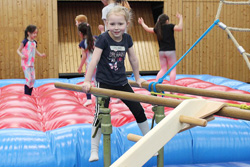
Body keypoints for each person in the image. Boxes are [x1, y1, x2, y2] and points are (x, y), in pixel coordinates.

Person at [81, 6, 150, 162]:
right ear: (106, 24)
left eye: (120, 24)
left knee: (138, 110)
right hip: (104, 82)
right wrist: (87, 80)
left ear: (126, 23)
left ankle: (149, 142)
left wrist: (138, 78)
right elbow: (95, 60)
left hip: (121, 82)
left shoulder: (127, 39)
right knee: (100, 114)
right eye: (112, 24)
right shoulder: (103, 39)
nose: (116, 28)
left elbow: (133, 59)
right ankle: (93, 150)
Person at [138, 13, 183, 85]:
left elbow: (147, 29)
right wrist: (180, 18)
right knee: (172, 69)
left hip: (161, 52)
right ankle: (172, 88)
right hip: (170, 51)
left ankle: (156, 85)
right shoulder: (170, 26)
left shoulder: (157, 29)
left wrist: (142, 23)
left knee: (163, 69)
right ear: (167, 21)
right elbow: (180, 28)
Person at [17, 25, 46, 96]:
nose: (35, 35)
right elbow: (18, 50)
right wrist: (21, 55)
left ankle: (29, 94)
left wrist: (41, 55)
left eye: (36, 33)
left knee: (33, 79)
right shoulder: (25, 41)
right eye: (33, 33)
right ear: (28, 33)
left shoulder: (34, 42)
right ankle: (26, 95)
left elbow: (35, 51)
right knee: (29, 79)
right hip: (25, 64)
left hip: (31, 63)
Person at [78, 22, 96, 107]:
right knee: (98, 81)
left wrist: (80, 66)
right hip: (98, 64)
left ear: (81, 34)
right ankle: (105, 97)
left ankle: (89, 99)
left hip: (90, 65)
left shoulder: (83, 43)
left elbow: (84, 56)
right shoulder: (95, 39)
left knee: (87, 82)